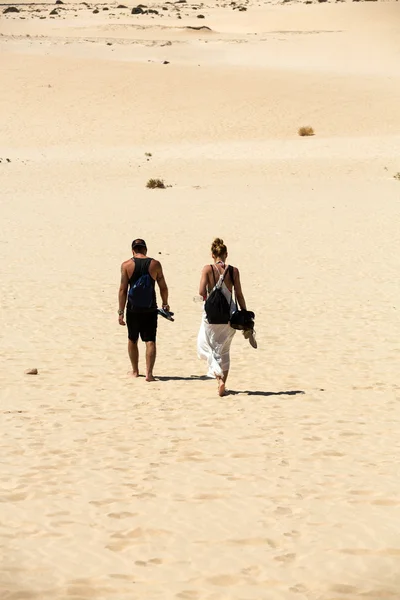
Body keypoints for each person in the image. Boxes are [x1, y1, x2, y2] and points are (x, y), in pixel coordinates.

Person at [197, 238, 250, 397]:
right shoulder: (233, 271)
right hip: (229, 316)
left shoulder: (208, 269)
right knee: (225, 350)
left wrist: (209, 298)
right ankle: (223, 385)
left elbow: (201, 292)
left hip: (211, 317)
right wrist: (245, 313)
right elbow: (239, 294)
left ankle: (218, 378)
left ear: (212, 254)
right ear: (226, 254)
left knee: (210, 347)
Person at [118, 238, 170, 381]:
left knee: (132, 339)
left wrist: (121, 312)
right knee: (150, 340)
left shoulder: (126, 265)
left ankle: (135, 371)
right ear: (145, 249)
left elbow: (123, 290)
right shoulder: (155, 264)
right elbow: (163, 287)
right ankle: (149, 374)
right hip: (150, 308)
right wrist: (165, 303)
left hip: (133, 309)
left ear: (133, 250)